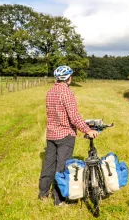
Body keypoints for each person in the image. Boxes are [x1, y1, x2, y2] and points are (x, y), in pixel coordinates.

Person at [38, 65, 99, 206]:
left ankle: (43, 193)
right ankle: (59, 200)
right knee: (62, 167)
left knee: (48, 164)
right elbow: (73, 116)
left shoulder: (50, 92)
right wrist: (87, 130)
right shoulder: (67, 93)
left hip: (51, 134)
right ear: (69, 78)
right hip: (65, 135)